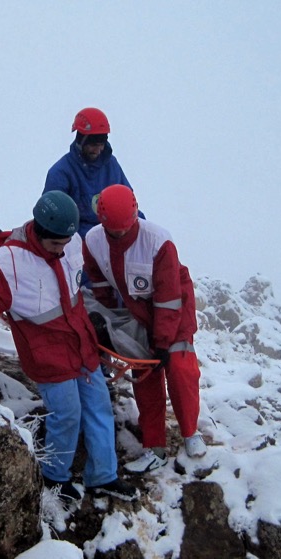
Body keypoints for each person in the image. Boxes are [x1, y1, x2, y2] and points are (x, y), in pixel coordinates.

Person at [0, 191, 139, 503]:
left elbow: (83, 281)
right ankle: (55, 476)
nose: (63, 249)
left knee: (99, 407)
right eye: (56, 244)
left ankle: (103, 477)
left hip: (81, 345)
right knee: (66, 414)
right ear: (39, 232)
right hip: (47, 354)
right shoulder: (10, 263)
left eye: (66, 242)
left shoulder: (70, 243)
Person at [83, 185, 204, 473]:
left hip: (174, 305)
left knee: (179, 366)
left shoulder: (158, 242)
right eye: (115, 231)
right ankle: (155, 446)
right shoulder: (93, 241)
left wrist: (162, 341)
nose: (121, 235)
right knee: (145, 369)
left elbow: (168, 296)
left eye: (126, 229)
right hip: (135, 308)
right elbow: (100, 284)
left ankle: (190, 433)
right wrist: (110, 322)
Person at [43, 107, 138, 239]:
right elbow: (52, 219)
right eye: (93, 145)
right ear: (81, 141)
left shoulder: (111, 165)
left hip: (113, 233)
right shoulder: (60, 173)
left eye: (101, 144)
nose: (98, 150)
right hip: (78, 242)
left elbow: (129, 203)